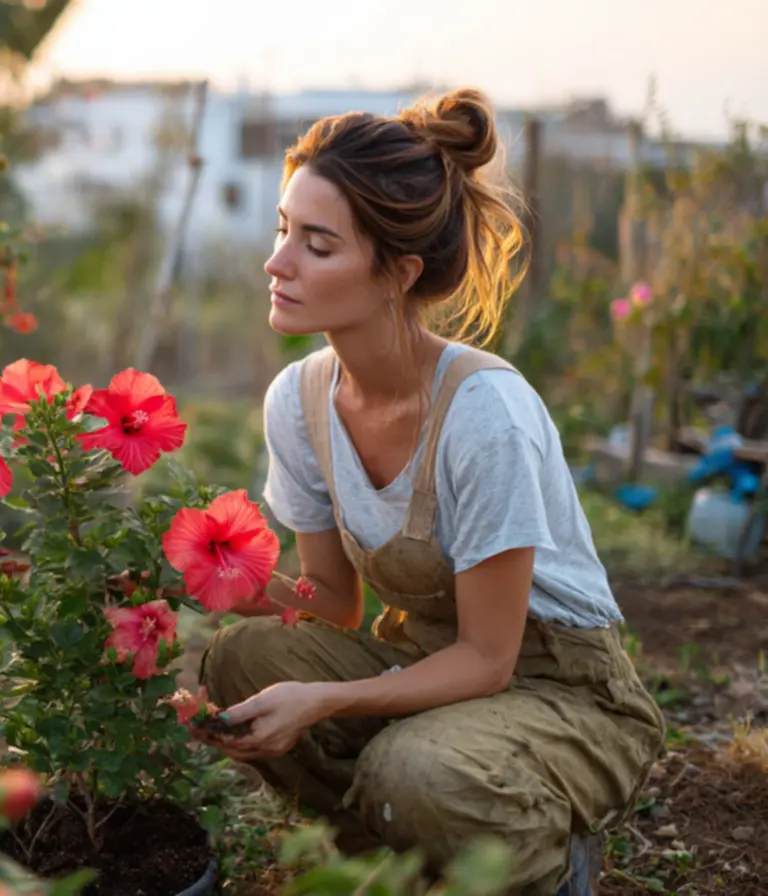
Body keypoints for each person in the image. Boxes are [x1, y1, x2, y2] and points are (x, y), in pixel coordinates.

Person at [191, 88, 664, 895]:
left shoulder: (484, 414)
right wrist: (192, 575)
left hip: (559, 690)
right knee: (242, 663)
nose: (278, 262)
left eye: (317, 244)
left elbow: (489, 658)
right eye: (281, 230)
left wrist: (324, 701)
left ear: (396, 273)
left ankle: (542, 863)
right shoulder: (299, 403)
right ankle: (402, 850)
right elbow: (332, 605)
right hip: (430, 660)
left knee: (416, 768)